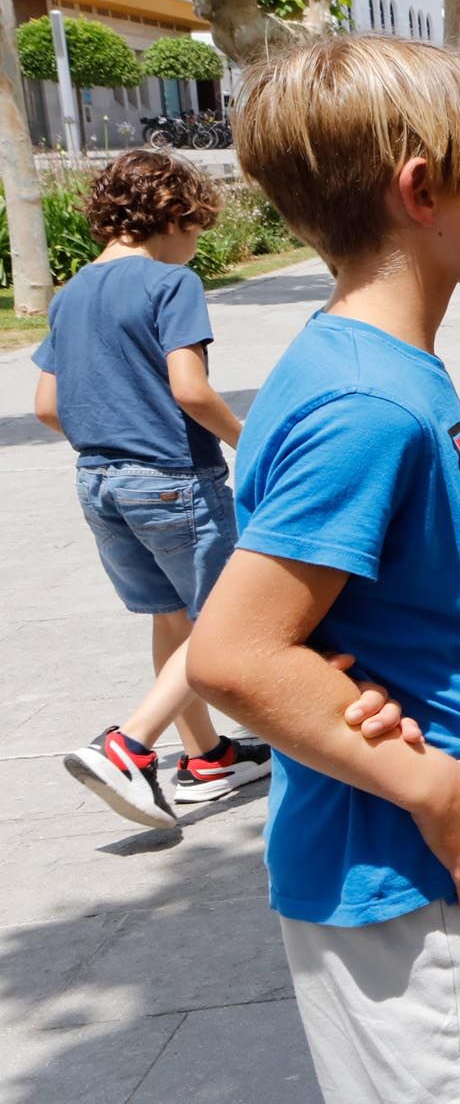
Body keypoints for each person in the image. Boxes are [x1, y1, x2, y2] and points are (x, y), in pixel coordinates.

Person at [186, 38, 460, 1102]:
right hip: (405, 871)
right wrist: (433, 784)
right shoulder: (367, 406)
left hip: (431, 855)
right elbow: (232, 652)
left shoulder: (372, 370)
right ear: (420, 190)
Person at [32, 151, 271, 829]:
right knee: (224, 613)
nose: (197, 243)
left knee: (173, 615)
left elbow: (48, 405)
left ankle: (207, 757)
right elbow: (189, 389)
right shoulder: (172, 284)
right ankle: (129, 745)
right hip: (172, 479)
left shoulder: (72, 291)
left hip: (99, 481)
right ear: (172, 214)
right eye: (196, 228)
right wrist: (244, 437)